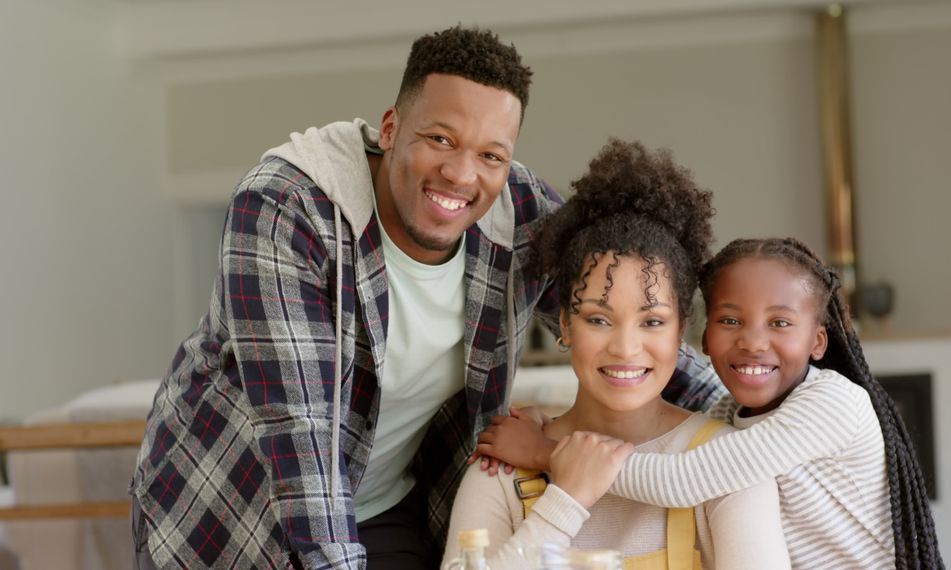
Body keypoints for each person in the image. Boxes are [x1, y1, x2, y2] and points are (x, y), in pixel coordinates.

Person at [128, 26, 721, 570]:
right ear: (389, 129)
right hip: (228, 507)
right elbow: (299, 432)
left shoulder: (520, 214)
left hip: (387, 504)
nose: (463, 175)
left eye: (491, 154)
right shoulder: (288, 208)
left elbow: (631, 323)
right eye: (440, 138)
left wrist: (756, 407)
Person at [476, 237, 943, 569]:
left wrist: (543, 452)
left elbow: (682, 478)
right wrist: (545, 419)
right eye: (731, 320)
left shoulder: (834, 403)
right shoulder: (725, 418)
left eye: (780, 323)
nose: (753, 343)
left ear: (818, 341)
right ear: (701, 339)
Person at [443, 140, 790, 569]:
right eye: (598, 319)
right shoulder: (503, 468)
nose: (625, 348)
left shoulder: (726, 463)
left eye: (652, 321)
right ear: (565, 324)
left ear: (681, 330)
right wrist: (565, 500)